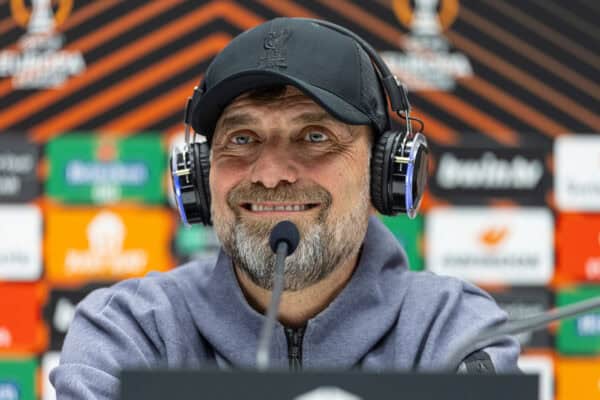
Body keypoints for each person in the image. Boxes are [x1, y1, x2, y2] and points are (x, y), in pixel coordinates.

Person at [51, 17, 519, 398]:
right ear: (199, 173)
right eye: (242, 138)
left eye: (315, 136)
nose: (271, 174)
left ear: (386, 171)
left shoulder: (455, 331)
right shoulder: (129, 329)